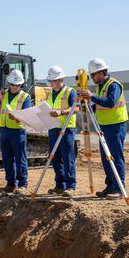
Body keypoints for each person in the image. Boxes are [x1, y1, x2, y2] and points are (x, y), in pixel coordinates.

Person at [80, 58, 128, 200]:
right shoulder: (101, 87)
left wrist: (92, 96)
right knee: (106, 158)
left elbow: (110, 103)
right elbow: (99, 106)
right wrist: (85, 106)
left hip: (116, 126)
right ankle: (110, 186)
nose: (92, 78)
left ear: (101, 72)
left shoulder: (114, 85)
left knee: (115, 157)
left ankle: (119, 188)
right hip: (104, 127)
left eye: (94, 75)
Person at [0, 69, 31, 194]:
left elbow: (26, 117)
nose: (14, 87)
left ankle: (22, 184)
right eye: (12, 84)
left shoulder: (25, 97)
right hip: (5, 130)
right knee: (7, 158)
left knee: (20, 158)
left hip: (18, 131)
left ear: (21, 85)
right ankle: (11, 183)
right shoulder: (4, 94)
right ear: (9, 83)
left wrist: (16, 118)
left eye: (17, 85)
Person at [46, 66, 78, 197]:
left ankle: (70, 186)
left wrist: (60, 112)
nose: (52, 84)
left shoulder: (70, 92)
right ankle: (60, 185)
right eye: (50, 81)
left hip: (66, 129)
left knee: (67, 157)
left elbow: (76, 109)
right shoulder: (50, 93)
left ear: (61, 79)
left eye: (54, 81)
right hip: (53, 128)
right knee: (55, 157)